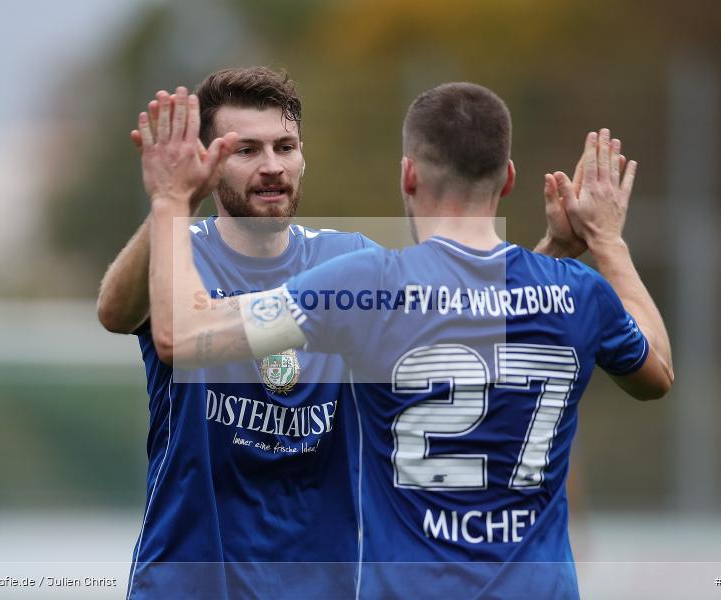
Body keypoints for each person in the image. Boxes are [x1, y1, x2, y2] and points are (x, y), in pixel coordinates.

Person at [136, 81, 673, 598]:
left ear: (408, 176)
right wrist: (605, 241)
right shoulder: (579, 294)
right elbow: (657, 377)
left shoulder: (367, 286)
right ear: (508, 179)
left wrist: (170, 200)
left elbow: (180, 337)